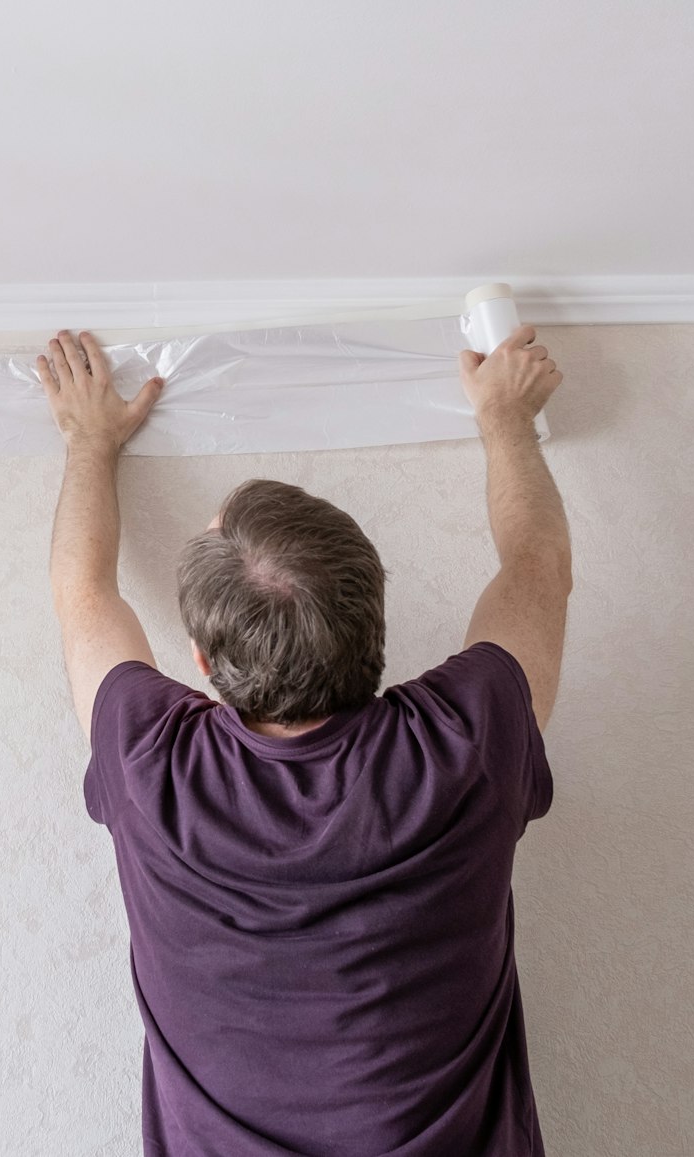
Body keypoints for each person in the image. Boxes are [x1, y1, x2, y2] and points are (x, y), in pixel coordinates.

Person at [37, 321, 570, 1156]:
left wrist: (88, 439)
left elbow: (82, 595)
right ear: (376, 622)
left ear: (204, 661)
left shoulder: (151, 766)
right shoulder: (468, 741)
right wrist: (505, 418)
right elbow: (536, 567)